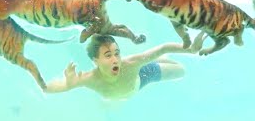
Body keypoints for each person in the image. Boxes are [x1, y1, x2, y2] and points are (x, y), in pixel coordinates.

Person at [44, 32, 206, 100]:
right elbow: (48, 88)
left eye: (117, 53)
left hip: (143, 76)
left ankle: (156, 60)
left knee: (181, 71)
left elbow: (164, 47)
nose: (116, 59)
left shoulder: (130, 64)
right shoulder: (88, 78)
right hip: (121, 95)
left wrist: (191, 50)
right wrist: (70, 84)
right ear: (96, 60)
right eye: (108, 55)